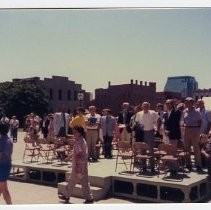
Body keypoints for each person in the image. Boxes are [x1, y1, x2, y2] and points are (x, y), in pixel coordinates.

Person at [58, 126, 94, 204]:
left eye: (75, 132)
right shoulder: (81, 140)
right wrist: (68, 157)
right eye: (73, 132)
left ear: (80, 132)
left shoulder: (79, 141)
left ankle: (88, 198)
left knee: (79, 181)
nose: (74, 134)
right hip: (82, 163)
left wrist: (77, 166)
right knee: (76, 180)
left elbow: (78, 154)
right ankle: (67, 195)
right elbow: (75, 152)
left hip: (79, 164)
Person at [183, 97, 203, 172]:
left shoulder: (197, 112)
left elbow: (200, 122)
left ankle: (198, 165)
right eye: (185, 102)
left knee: (196, 148)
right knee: (187, 148)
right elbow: (184, 120)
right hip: (187, 130)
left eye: (187, 102)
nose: (186, 104)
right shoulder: (184, 111)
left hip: (195, 129)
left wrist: (198, 131)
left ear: (191, 103)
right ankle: (188, 164)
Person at [0, 123, 13, 204]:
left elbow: (0, 156)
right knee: (3, 189)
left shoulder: (2, 141)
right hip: (7, 165)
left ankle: (10, 206)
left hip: (2, 167)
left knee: (4, 190)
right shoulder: (9, 140)